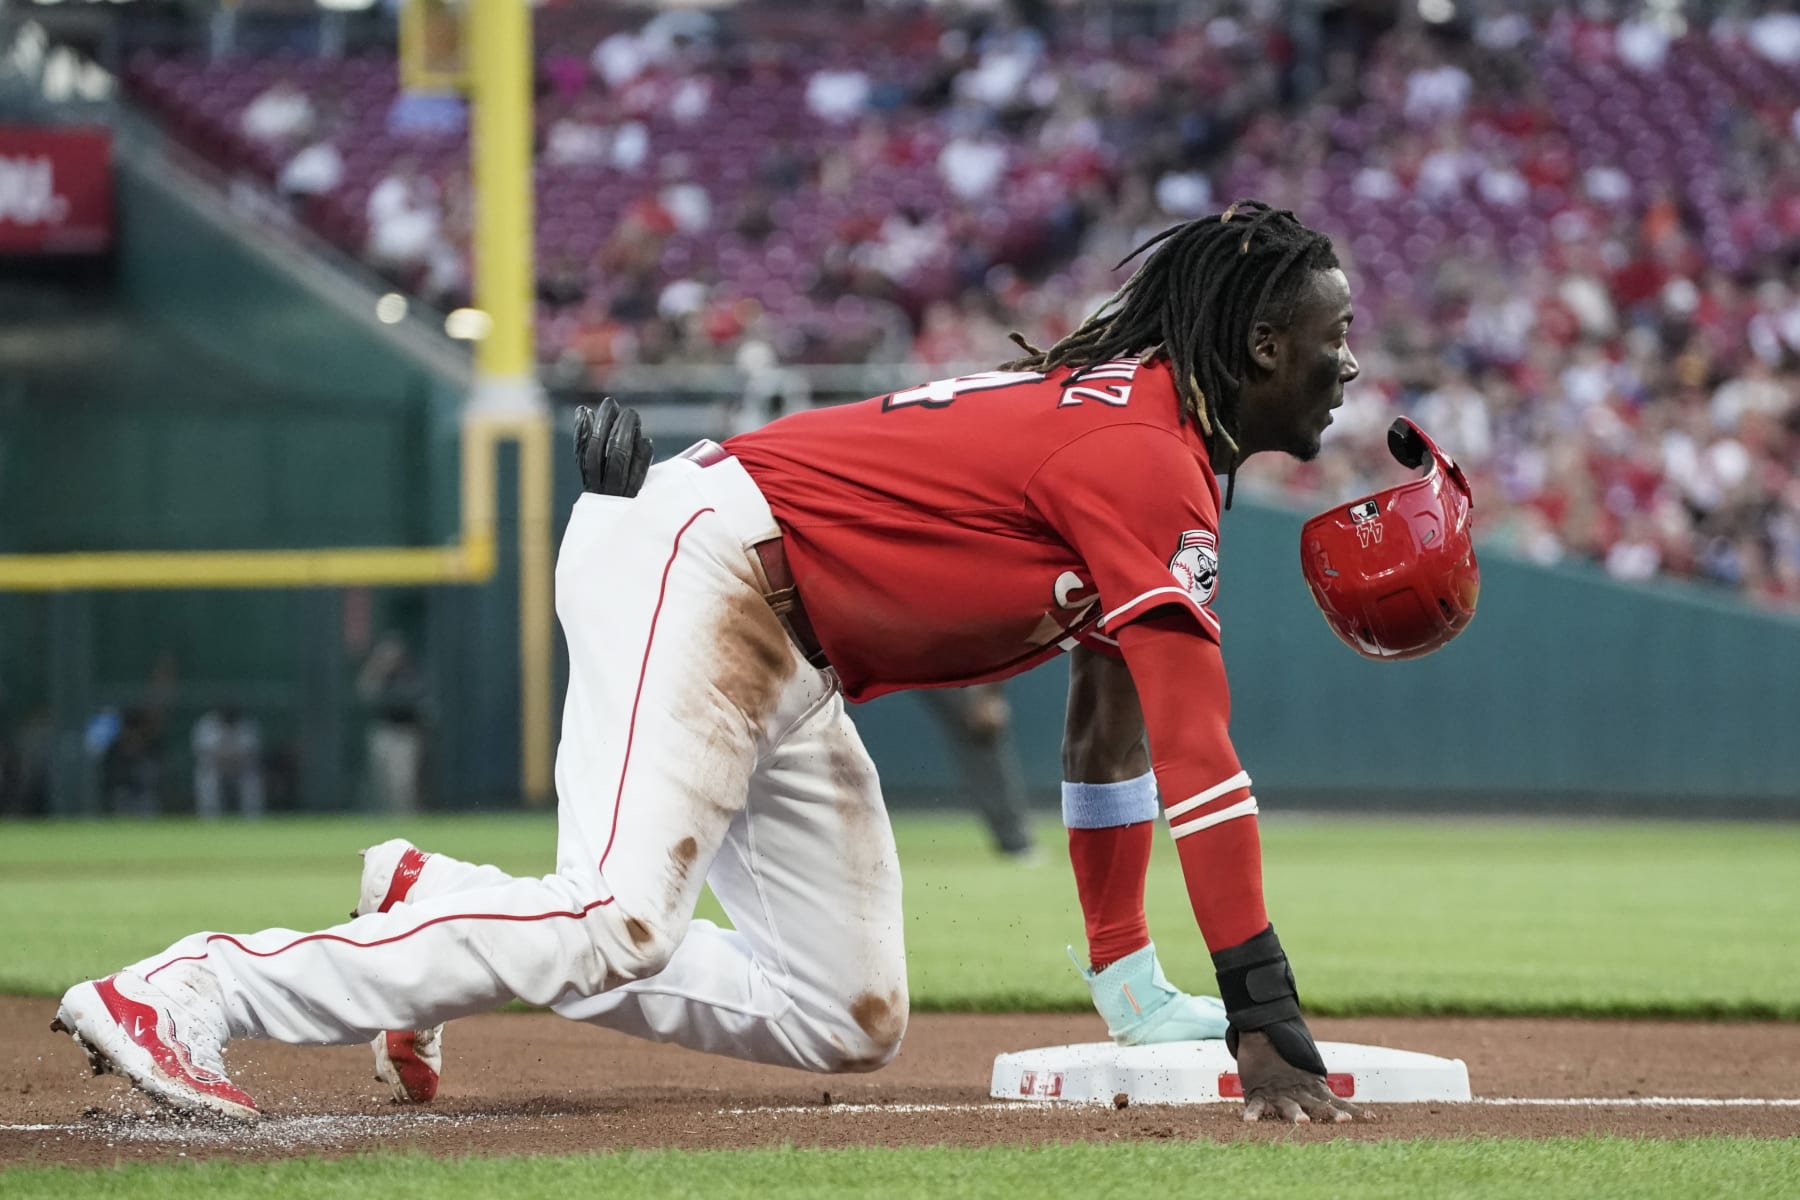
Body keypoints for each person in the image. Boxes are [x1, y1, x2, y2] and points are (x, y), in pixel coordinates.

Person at [55, 203, 1376, 1125]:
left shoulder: (1162, 444)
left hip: (785, 645)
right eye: (1336, 333)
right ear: (1264, 346)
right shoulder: (1146, 453)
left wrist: (1130, 983)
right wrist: (1260, 1003)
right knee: (615, 922)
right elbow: (1202, 756)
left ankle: (434, 901)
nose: (1351, 359)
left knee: (843, 1015)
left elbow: (1112, 730)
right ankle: (189, 988)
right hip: (708, 569)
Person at [918, 684, 1037, 861]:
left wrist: (989, 695)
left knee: (980, 725)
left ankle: (1015, 842)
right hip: (876, 656)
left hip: (935, 660)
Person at [191, 707, 265, 822]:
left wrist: (230, 758)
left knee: (251, 778)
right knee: (207, 778)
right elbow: (205, 754)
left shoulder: (245, 725)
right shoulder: (207, 724)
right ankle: (210, 818)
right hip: (215, 768)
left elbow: (250, 754)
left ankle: (252, 818)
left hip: (240, 768)